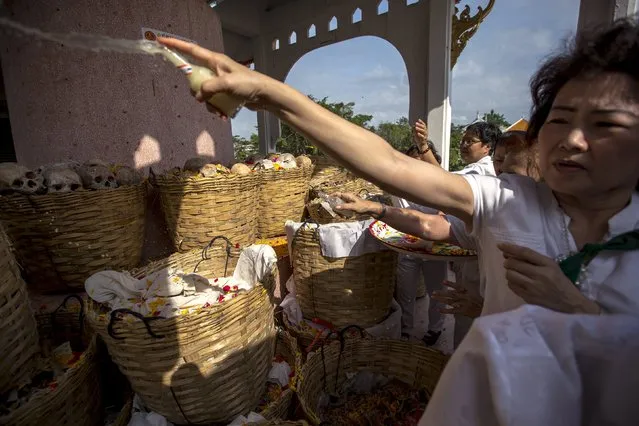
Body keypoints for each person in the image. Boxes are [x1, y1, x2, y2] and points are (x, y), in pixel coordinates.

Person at [159, 18, 639, 317]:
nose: (572, 139)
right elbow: (388, 163)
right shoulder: (508, 200)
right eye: (558, 118)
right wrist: (267, 93)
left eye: (604, 123)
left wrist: (579, 310)